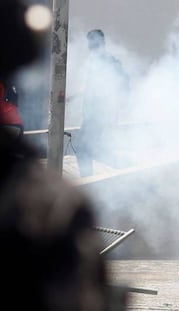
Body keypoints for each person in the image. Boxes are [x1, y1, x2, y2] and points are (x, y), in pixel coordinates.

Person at [0, 2, 125, 309]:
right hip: (93, 120)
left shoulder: (41, 202)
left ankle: (103, 173)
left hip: (97, 119)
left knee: (91, 150)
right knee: (89, 151)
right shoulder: (41, 200)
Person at [75, 29, 129, 177]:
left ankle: (123, 168)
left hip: (100, 115)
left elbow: (122, 86)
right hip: (92, 115)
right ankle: (124, 167)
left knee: (84, 147)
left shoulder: (110, 62)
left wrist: (114, 110)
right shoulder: (94, 63)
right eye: (90, 44)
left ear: (102, 43)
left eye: (95, 42)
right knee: (90, 148)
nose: (92, 46)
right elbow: (90, 90)